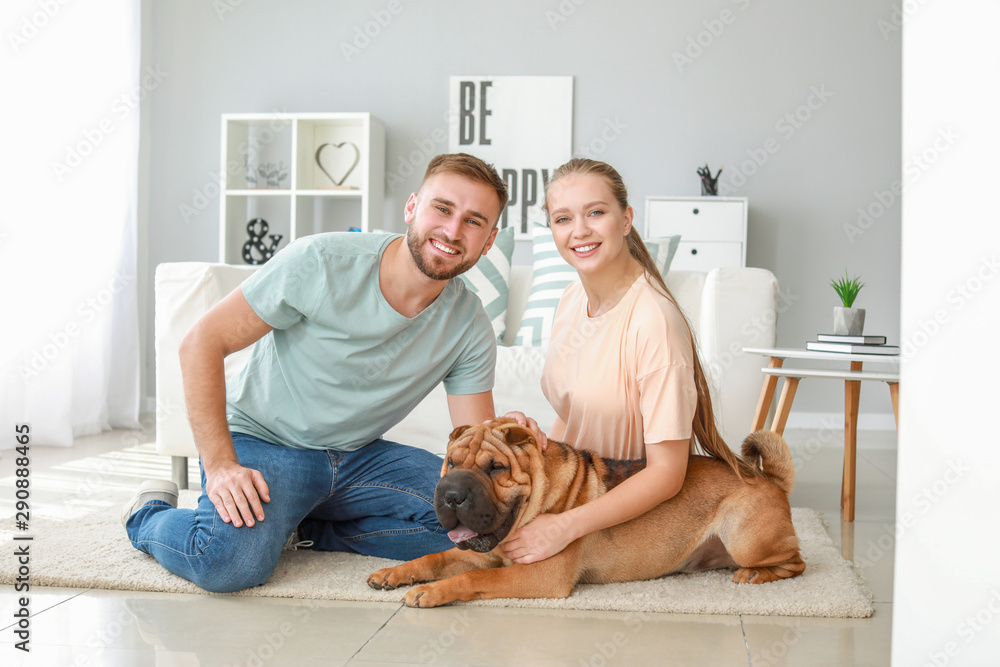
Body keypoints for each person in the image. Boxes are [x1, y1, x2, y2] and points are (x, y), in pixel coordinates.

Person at [123, 153, 541, 593]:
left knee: (483, 532)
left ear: (489, 240)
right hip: (265, 442)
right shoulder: (321, 260)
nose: (453, 231)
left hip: (360, 458)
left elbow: (472, 441)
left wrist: (506, 430)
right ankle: (147, 512)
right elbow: (202, 343)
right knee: (227, 564)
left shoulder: (469, 322)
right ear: (412, 207)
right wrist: (222, 464)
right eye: (443, 209)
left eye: (474, 222)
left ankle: (305, 531)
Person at [501, 158, 753, 565]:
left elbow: (666, 475)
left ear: (625, 220)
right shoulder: (570, 300)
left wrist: (564, 526)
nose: (579, 230)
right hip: (581, 494)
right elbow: (571, 414)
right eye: (563, 218)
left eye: (596, 213)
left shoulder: (654, 320)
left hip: (629, 521)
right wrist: (538, 462)